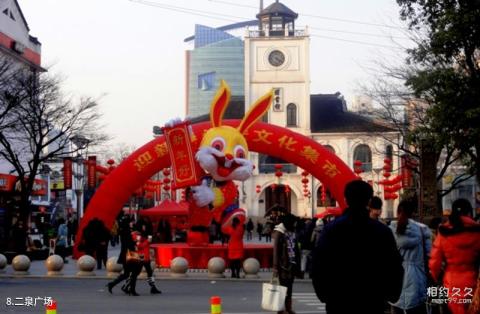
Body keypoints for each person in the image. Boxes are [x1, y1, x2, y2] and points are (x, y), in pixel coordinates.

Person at [311, 180, 404, 314]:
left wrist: (325, 295)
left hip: (339, 301)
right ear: (369, 201)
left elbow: (319, 265)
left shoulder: (331, 230)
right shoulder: (382, 231)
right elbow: (394, 266)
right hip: (372, 300)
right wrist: (390, 294)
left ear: (345, 199)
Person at [429, 198, 480, 314]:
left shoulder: (444, 231)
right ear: (469, 212)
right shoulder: (477, 231)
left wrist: (436, 278)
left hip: (451, 284)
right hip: (473, 284)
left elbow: (434, 262)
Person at [389, 200, 431, 314]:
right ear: (413, 213)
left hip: (395, 279)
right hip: (417, 279)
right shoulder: (423, 230)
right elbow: (429, 255)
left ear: (398, 212)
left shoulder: (390, 231)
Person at [272, 212, 300, 314]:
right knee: (282, 288)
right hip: (282, 265)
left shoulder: (291, 231)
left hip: (291, 265)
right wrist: (275, 267)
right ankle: (280, 309)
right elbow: (275, 251)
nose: (294, 224)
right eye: (293, 222)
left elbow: (296, 248)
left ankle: (288, 308)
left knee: (290, 288)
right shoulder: (279, 232)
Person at [107, 216, 141, 296]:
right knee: (135, 272)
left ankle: (112, 284)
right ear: (127, 223)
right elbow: (128, 244)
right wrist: (135, 242)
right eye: (130, 222)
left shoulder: (124, 231)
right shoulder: (126, 232)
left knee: (126, 274)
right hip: (129, 255)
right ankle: (132, 290)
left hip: (125, 255)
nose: (131, 223)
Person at [133, 229, 161, 294]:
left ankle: (153, 287)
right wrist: (147, 242)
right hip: (141, 258)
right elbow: (138, 246)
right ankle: (128, 287)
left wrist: (149, 240)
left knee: (150, 273)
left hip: (146, 258)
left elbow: (148, 245)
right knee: (136, 273)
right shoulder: (138, 236)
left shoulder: (145, 236)